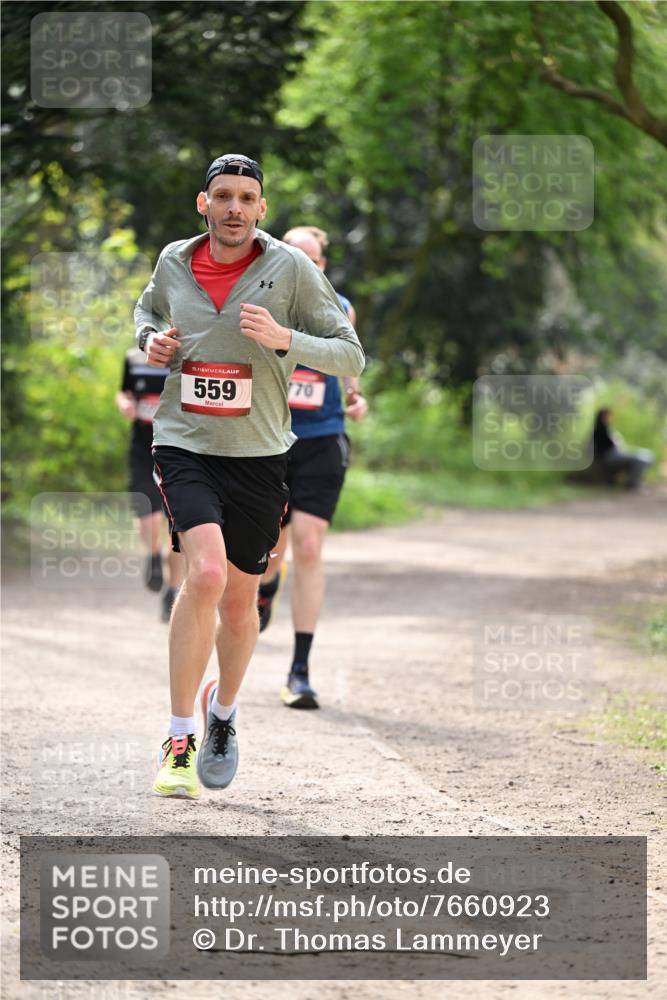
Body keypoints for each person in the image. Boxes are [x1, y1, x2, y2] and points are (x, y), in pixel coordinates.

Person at [134, 153, 364, 799]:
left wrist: (287, 338)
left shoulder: (290, 268)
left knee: (240, 602)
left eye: (245, 197)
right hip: (184, 441)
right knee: (204, 574)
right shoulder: (174, 260)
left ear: (261, 208)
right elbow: (146, 313)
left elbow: (350, 355)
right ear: (203, 204)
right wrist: (152, 340)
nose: (234, 207)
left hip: (261, 453)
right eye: (223, 196)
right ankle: (179, 736)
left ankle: (223, 714)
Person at [257, 226, 368, 710]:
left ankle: (299, 670)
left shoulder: (340, 307)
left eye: (313, 259)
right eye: (294, 256)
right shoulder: (259, 303)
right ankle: (266, 586)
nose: (304, 265)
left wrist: (355, 397)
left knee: (307, 544)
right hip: (268, 439)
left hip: (322, 439)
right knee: (269, 551)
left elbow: (348, 363)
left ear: (322, 265)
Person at [115, 348, 184, 621]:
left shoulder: (188, 353)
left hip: (178, 448)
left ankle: (172, 590)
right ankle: (153, 555)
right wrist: (124, 404)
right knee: (149, 521)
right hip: (142, 448)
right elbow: (123, 392)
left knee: (176, 527)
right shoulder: (133, 358)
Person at [592, 408, 654, 490]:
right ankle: (632, 483)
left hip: (615, 455)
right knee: (641, 459)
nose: (610, 418)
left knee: (646, 455)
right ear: (602, 417)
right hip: (610, 458)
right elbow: (609, 448)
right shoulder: (599, 431)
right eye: (607, 416)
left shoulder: (606, 430)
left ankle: (633, 481)